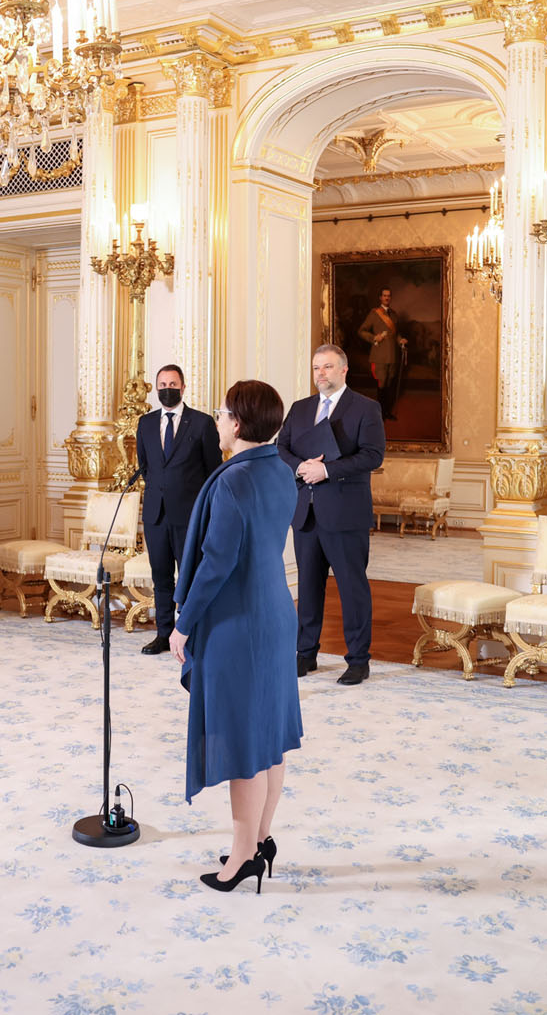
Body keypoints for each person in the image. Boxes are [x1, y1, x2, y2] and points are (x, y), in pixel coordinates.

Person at [167, 379, 301, 894]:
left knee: (244, 742)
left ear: (238, 424)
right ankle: (261, 840)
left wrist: (182, 624)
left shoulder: (233, 481)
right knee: (267, 737)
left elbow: (216, 563)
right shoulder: (281, 471)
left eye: (222, 414)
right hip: (274, 613)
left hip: (236, 623)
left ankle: (243, 858)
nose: (217, 421)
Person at [276, 344, 386, 685]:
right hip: (305, 514)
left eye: (327, 367)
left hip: (345, 514)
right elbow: (281, 448)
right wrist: (301, 467)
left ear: (343, 370)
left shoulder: (366, 408)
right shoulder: (300, 408)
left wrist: (328, 471)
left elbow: (373, 455)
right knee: (308, 588)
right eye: (315, 368)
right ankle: (305, 654)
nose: (320, 374)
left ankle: (357, 660)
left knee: (352, 589)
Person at [135, 364, 221, 655]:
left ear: (183, 388)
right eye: (162, 384)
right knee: (161, 576)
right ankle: (163, 633)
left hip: (190, 516)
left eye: (172, 383)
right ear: (156, 388)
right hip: (156, 515)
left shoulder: (202, 423)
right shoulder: (145, 423)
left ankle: (191, 633)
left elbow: (214, 471)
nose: (167, 389)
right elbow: (146, 466)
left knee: (190, 576)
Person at [356, 288, 407, 420]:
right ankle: (380, 414)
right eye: (384, 296)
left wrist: (400, 340)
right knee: (381, 385)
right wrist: (374, 338)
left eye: (389, 296)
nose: (387, 298)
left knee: (389, 385)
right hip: (379, 356)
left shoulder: (394, 314)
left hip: (392, 356)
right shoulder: (374, 313)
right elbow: (361, 331)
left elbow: (395, 334)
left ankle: (387, 412)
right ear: (380, 298)